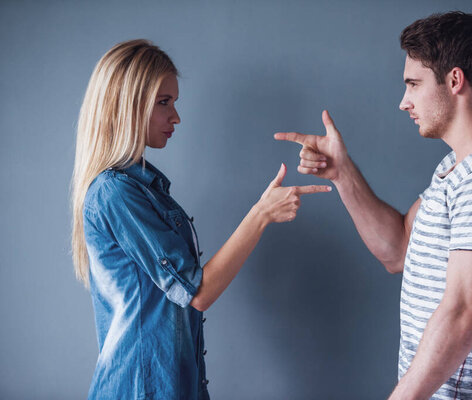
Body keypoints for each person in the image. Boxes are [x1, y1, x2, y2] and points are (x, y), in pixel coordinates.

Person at [275, 11, 472, 400]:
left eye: (414, 85)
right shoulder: (457, 167)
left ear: (454, 80)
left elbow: (464, 311)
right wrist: (342, 173)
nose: (404, 102)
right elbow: (397, 250)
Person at [70, 39, 331, 400]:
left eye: (174, 102)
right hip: (139, 389)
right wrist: (261, 214)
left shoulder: (144, 188)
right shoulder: (116, 193)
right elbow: (198, 293)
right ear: (125, 105)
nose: (175, 116)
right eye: (164, 102)